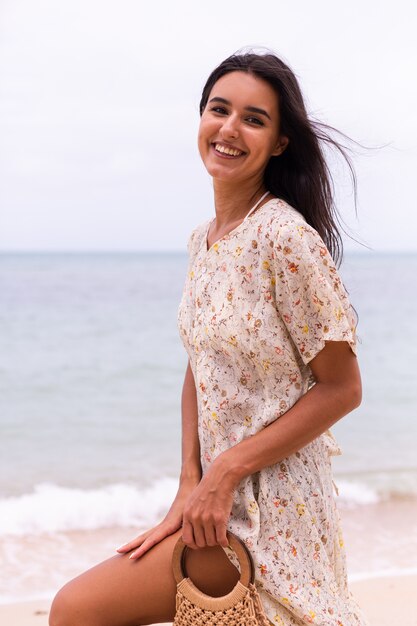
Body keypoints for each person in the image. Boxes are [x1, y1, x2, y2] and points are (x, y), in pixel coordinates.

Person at [49, 51, 369, 626]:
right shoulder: (204, 240)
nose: (229, 128)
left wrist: (224, 473)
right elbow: (200, 367)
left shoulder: (285, 239)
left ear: (278, 143)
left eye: (254, 118)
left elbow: (343, 389)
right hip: (213, 507)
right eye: (218, 110)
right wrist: (189, 483)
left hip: (273, 516)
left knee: (76, 611)